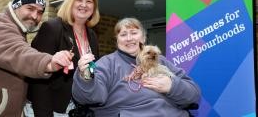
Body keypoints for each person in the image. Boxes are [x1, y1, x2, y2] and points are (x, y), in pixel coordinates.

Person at [72, 17, 201, 117]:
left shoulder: (160, 60)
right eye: (123, 35)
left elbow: (194, 94)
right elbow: (91, 97)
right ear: (117, 41)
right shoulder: (107, 63)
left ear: (144, 38)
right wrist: (86, 76)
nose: (129, 38)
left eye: (134, 33)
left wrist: (172, 86)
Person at [27, 0, 100, 117]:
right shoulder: (52, 28)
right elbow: (38, 78)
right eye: (79, 0)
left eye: (89, 1)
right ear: (70, 2)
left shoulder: (92, 36)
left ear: (94, 7)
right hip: (49, 109)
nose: (84, 5)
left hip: (76, 109)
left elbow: (93, 70)